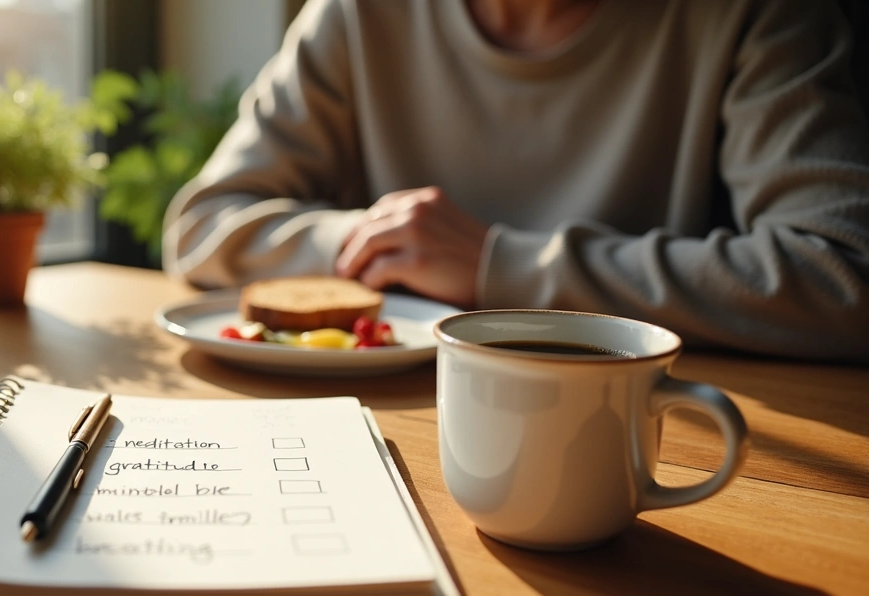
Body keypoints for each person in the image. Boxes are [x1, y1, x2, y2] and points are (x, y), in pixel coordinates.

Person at [161, 0, 869, 361]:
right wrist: (386, 243)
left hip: (644, 428)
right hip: (385, 434)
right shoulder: (358, 13)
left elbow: (845, 273)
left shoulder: (754, 15)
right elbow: (203, 226)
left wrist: (498, 268)